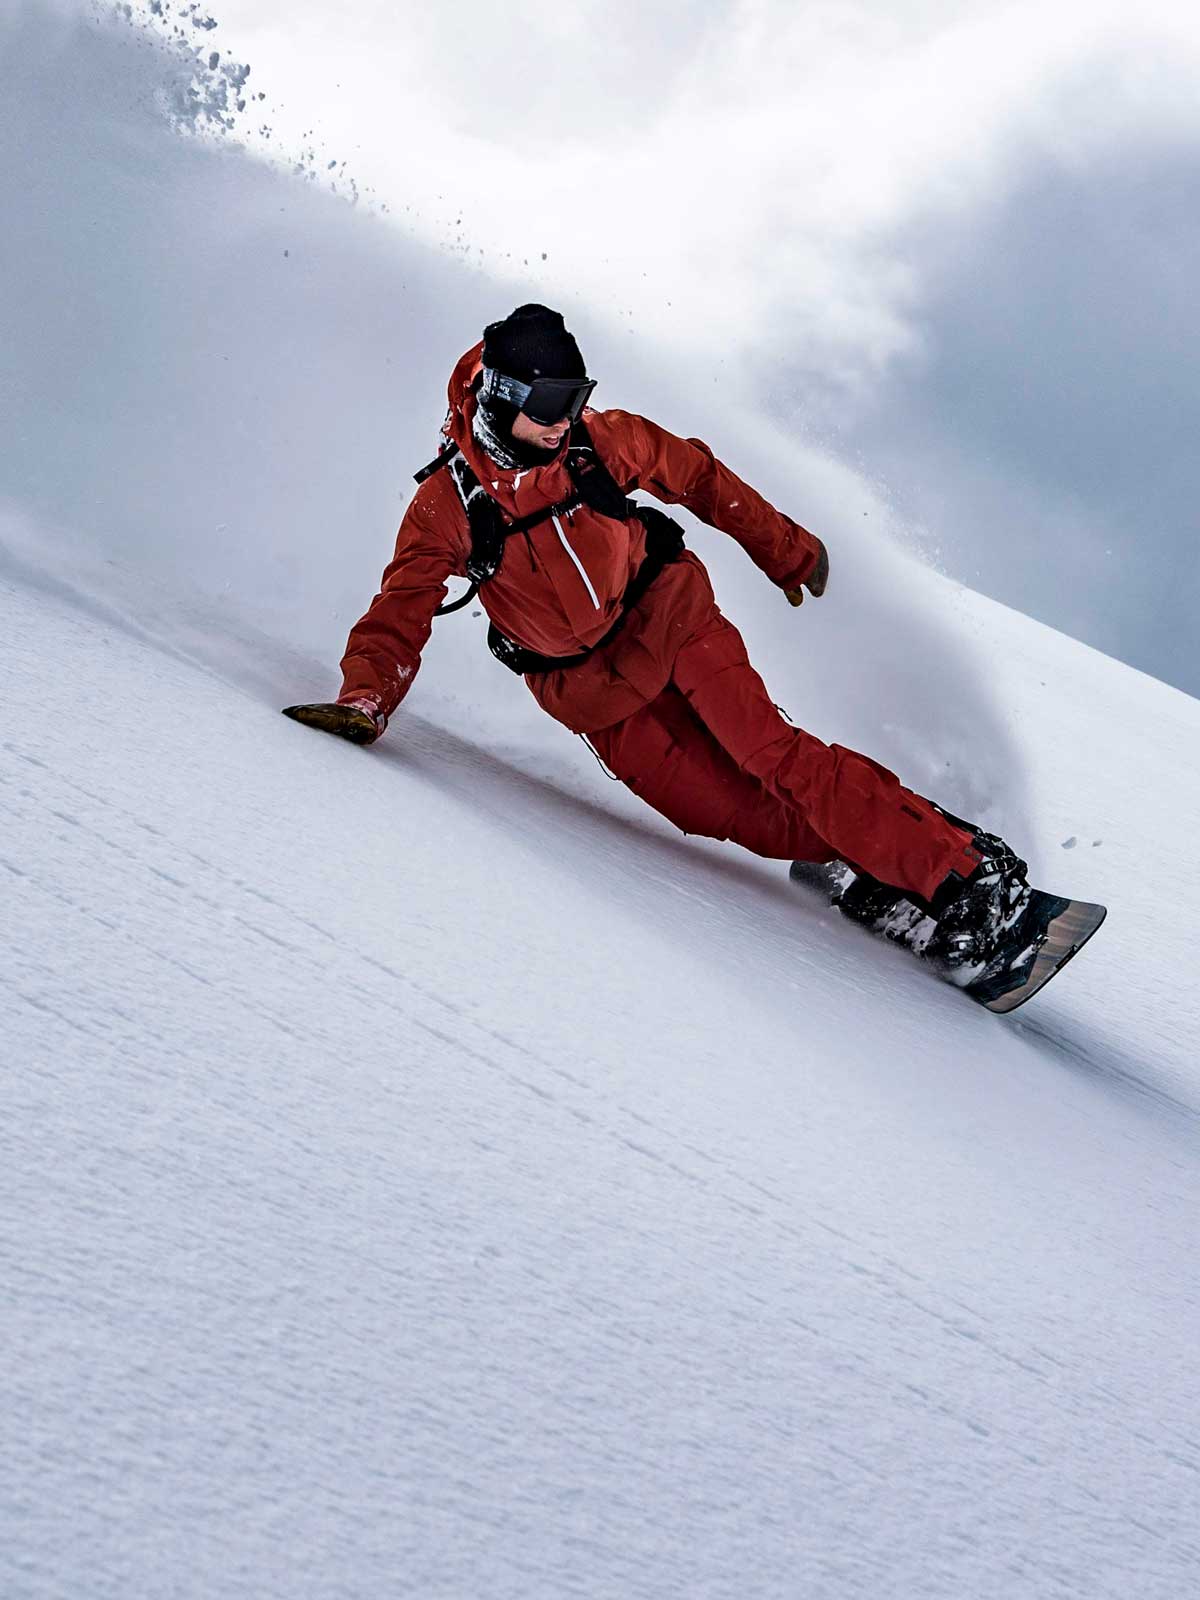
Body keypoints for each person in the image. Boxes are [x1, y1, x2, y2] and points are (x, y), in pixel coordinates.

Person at [284, 303, 1040, 992]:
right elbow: (400, 611)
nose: (566, 419)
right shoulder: (447, 507)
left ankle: (966, 877)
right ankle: (877, 853)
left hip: (669, 614)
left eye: (576, 398)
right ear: (503, 401)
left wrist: (784, 547)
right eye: (550, 405)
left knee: (769, 752)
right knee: (739, 815)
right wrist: (366, 698)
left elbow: (698, 476)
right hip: (590, 692)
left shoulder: (597, 446)